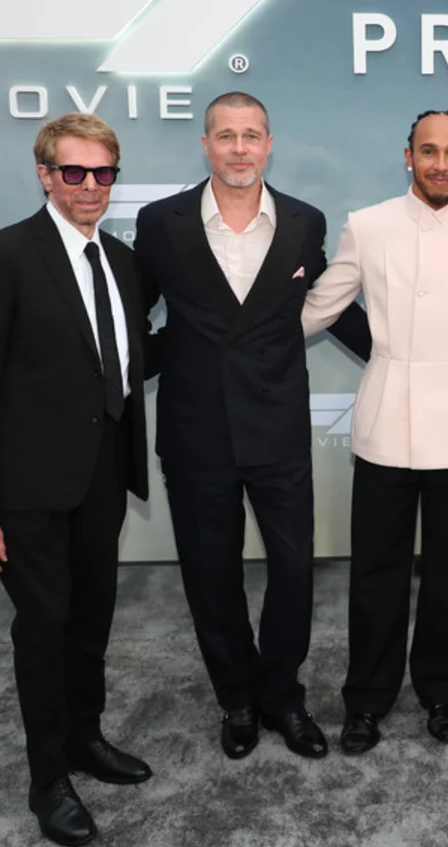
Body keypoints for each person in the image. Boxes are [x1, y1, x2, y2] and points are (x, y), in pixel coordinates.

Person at [132, 92, 370, 762]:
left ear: (270, 144)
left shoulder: (302, 221)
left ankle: (282, 696)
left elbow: (333, 305)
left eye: (252, 135)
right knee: (212, 573)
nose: (240, 148)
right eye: (226, 135)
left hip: (278, 427)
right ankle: (236, 697)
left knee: (294, 569)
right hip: (195, 427)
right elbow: (131, 316)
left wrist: (402, 351)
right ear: (205, 144)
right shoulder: (160, 222)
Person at [301, 109, 448, 754]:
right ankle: (366, 700)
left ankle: (441, 691)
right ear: (408, 156)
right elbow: (320, 306)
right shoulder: (367, 226)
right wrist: (242, 345)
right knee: (377, 571)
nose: (440, 163)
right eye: (428, 151)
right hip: (385, 422)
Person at [0, 112, 152, 847]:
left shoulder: (124, 261)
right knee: (44, 630)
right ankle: (47, 777)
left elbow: (119, 360)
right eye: (75, 172)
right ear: (46, 174)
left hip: (102, 478)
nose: (91, 186)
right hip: (28, 489)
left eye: (104, 173)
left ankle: (85, 739)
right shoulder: (3, 255)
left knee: (92, 619)